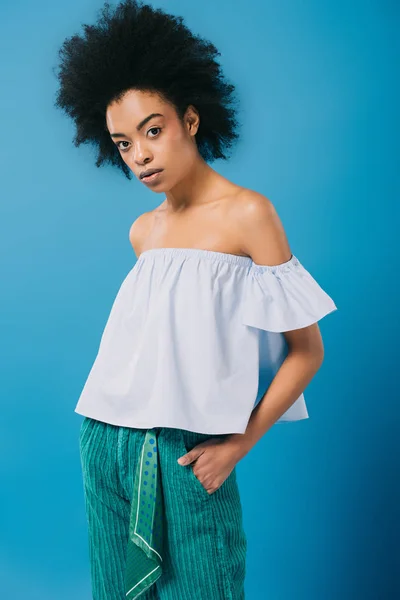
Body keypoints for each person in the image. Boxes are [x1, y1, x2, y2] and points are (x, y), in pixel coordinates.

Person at [53, 1, 338, 598]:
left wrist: (237, 444)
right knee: (116, 591)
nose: (140, 156)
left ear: (190, 118)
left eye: (153, 130)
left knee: (207, 586)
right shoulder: (143, 231)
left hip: (190, 451)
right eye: (123, 143)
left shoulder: (249, 214)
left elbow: (306, 351)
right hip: (106, 438)